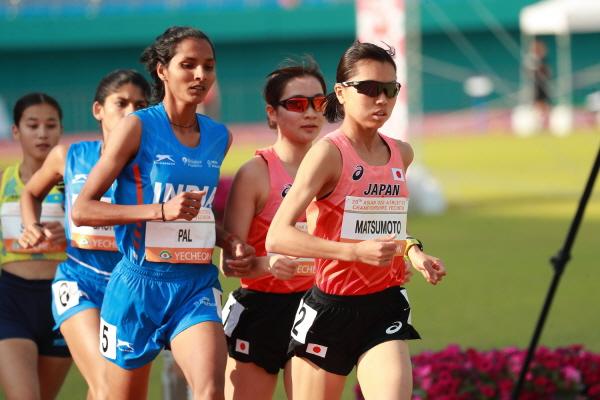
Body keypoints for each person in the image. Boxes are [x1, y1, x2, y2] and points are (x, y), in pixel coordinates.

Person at [72, 26, 254, 399]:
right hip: (137, 284)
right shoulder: (136, 127)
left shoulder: (220, 136)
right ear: (162, 70)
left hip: (195, 286)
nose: (200, 75)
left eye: (208, 66)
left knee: (209, 391)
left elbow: (196, 211)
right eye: (188, 65)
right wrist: (160, 211)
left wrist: (228, 240)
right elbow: (83, 208)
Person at [266, 41, 447, 400]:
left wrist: (413, 253)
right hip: (331, 309)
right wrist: (354, 253)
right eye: (368, 89)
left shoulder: (401, 153)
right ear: (341, 93)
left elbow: (385, 227)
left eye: (389, 90)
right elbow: (278, 237)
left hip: (385, 305)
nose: (381, 100)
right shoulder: (327, 154)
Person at [18, 70, 151, 399]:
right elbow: (30, 193)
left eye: (141, 105)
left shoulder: (153, 164)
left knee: (114, 392)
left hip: (130, 288)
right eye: (121, 103)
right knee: (107, 387)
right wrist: (30, 225)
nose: (130, 112)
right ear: (98, 110)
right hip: (79, 281)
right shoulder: (70, 156)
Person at [222, 59, 327, 400]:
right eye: (297, 104)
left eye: (319, 103)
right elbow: (230, 263)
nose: (310, 112)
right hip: (261, 310)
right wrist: (268, 264)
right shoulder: (255, 173)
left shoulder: (336, 168)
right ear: (272, 114)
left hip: (317, 307)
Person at [0, 93, 71, 399]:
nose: (42, 133)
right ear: (16, 130)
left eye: (50, 125)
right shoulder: (4, 182)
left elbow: (105, 239)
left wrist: (68, 237)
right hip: (11, 301)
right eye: (32, 125)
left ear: (60, 130)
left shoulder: (78, 184)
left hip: (64, 301)